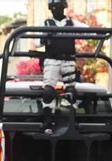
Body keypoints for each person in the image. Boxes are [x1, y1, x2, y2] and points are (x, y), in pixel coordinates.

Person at [36, 0, 88, 131]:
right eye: (54, 8)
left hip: (68, 61)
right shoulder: (46, 24)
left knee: (71, 92)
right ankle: (48, 122)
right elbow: (37, 42)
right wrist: (44, 36)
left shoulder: (72, 23)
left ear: (64, 8)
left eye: (59, 7)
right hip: (52, 61)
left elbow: (90, 31)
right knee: (48, 92)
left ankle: (71, 122)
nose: (56, 10)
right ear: (50, 9)